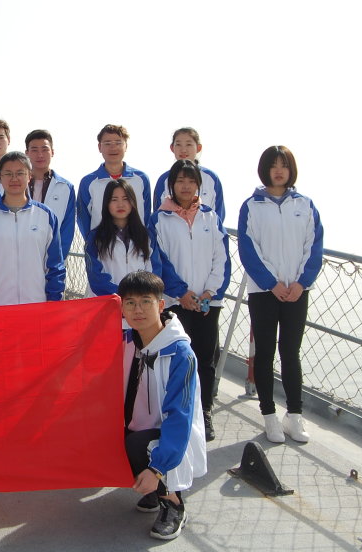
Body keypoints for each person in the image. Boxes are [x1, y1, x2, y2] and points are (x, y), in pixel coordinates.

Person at [237, 145, 323, 444]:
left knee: (290, 352)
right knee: (264, 353)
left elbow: (314, 246)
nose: (278, 170)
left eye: (284, 165)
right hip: (264, 291)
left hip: (297, 291)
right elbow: (248, 249)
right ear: (265, 169)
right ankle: (269, 415)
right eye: (273, 165)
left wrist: (301, 282)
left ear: (291, 169)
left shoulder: (305, 204)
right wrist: (271, 282)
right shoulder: (252, 206)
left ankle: (294, 416)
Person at [120, 270, 206, 541]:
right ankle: (153, 492)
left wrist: (157, 469)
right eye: (130, 303)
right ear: (121, 308)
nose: (138, 310)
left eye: (145, 302)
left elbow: (179, 417)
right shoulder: (127, 341)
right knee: (101, 436)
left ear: (160, 305)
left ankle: (173, 503)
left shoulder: (180, 353)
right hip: (139, 426)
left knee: (136, 444)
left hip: (171, 437)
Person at [148, 159, 230, 441]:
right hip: (174, 302)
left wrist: (210, 292)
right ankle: (174, 413)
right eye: (180, 181)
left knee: (206, 359)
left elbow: (221, 258)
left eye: (191, 181)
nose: (186, 186)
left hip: (207, 303)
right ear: (172, 184)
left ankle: (204, 411)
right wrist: (181, 292)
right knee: (175, 359)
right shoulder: (159, 219)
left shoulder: (211, 217)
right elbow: (159, 260)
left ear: (198, 185)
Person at [0, 151, 66, 306]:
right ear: (0, 178)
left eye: (20, 173)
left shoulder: (46, 216)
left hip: (36, 305)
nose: (14, 179)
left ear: (29, 176)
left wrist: (54, 299)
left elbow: (55, 264)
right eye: (8, 174)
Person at [85, 179, 163, 297]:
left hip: (140, 303)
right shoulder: (96, 238)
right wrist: (124, 296)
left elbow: (154, 272)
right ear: (106, 204)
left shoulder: (146, 236)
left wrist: (137, 297)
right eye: (114, 199)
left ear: (132, 202)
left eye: (125, 199)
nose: (120, 204)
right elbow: (96, 277)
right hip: (108, 302)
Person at [77, 124, 152, 240]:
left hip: (136, 246)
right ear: (99, 147)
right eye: (107, 143)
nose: (113, 148)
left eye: (118, 143)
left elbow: (146, 215)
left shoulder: (141, 179)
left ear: (126, 146)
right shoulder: (88, 182)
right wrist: (92, 244)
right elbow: (83, 219)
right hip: (102, 247)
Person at [152, 128, 225, 223]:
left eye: (189, 144)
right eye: (178, 144)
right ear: (172, 148)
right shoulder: (164, 180)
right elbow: (157, 217)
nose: (183, 150)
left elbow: (218, 216)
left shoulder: (211, 179)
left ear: (198, 148)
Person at [25, 129, 76, 255]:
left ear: (52, 152)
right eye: (34, 150)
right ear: (27, 153)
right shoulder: (16, 184)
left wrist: (57, 258)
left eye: (44, 149)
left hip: (52, 257)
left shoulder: (65, 187)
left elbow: (67, 228)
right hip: (21, 254)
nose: (40, 155)